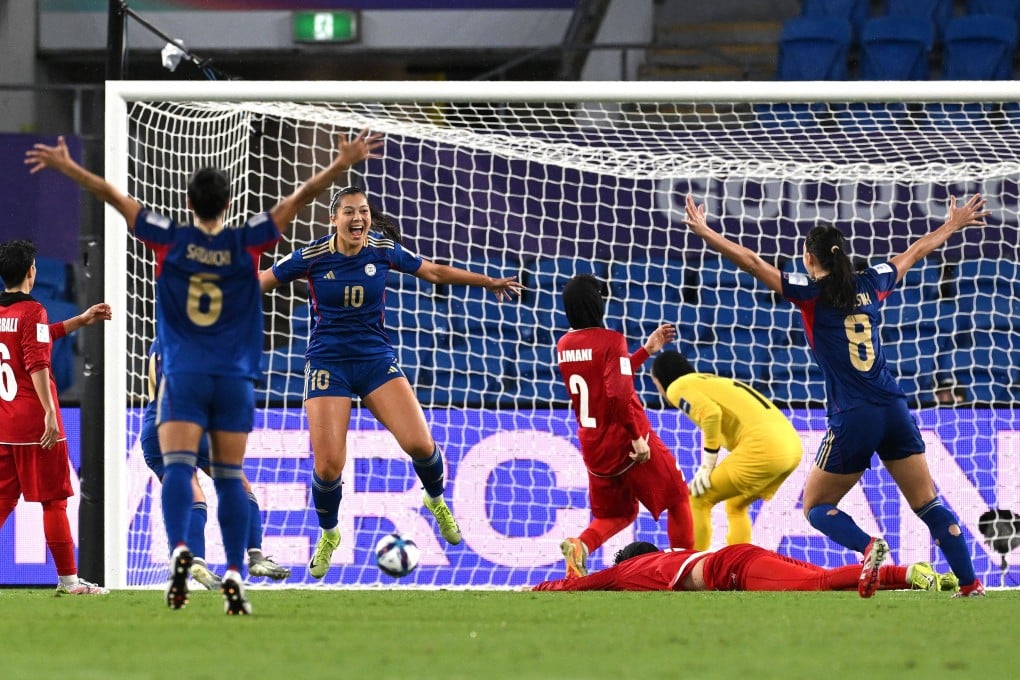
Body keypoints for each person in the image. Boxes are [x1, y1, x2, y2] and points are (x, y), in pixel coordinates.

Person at [27, 130, 382, 613]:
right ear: (229, 203)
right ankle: (236, 572)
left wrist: (69, 168)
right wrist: (339, 166)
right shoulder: (248, 241)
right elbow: (299, 199)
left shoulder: (169, 240)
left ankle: (181, 553)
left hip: (183, 375)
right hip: (232, 378)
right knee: (231, 476)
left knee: (178, 469)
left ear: (190, 203)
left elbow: (116, 196)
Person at [680, 193, 990, 598]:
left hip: (854, 415)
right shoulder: (873, 280)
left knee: (816, 506)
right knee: (927, 502)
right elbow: (915, 252)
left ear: (810, 258)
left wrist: (707, 233)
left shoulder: (811, 294)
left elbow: (754, 263)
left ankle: (868, 547)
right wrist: (953, 224)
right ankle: (971, 584)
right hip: (894, 407)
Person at [259, 184, 523, 580]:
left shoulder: (381, 249)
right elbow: (261, 281)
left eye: (363, 211)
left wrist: (488, 282)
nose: (358, 218)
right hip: (328, 362)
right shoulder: (312, 255)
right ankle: (329, 534)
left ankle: (434, 500)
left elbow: (434, 271)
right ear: (334, 219)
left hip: (375, 360)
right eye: (349, 211)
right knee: (329, 466)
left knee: (420, 443)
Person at [554, 275, 693, 579]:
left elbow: (607, 377)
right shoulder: (610, 339)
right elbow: (617, 392)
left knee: (617, 513)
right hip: (627, 439)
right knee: (678, 497)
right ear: (596, 303)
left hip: (594, 445)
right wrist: (637, 438)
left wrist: (646, 350)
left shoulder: (564, 345)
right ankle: (684, 571)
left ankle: (580, 546)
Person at [0, 239, 112, 596]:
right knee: (54, 501)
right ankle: (69, 581)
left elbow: (39, 340)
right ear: (32, 271)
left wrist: (81, 319)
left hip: (5, 426)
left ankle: (70, 580)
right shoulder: (32, 311)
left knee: (1, 503)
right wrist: (50, 411)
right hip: (36, 426)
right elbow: (37, 362)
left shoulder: (5, 314)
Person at [140, 338, 290, 587]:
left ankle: (197, 562)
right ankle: (255, 556)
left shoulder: (161, 341)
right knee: (237, 484)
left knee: (193, 493)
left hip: (154, 427)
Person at [650, 349, 802, 551]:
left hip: (765, 447)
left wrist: (708, 464)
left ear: (662, 379)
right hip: (792, 447)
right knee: (736, 505)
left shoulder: (678, 386)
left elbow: (711, 415)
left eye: (655, 383)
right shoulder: (709, 381)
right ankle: (739, 569)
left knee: (696, 498)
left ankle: (692, 569)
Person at [528, 540, 959, 594]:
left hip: (734, 569)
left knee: (819, 584)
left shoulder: (625, 574)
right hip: (738, 556)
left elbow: (575, 589)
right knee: (825, 580)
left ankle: (905, 572)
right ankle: (921, 577)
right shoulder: (668, 556)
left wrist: (542, 586)